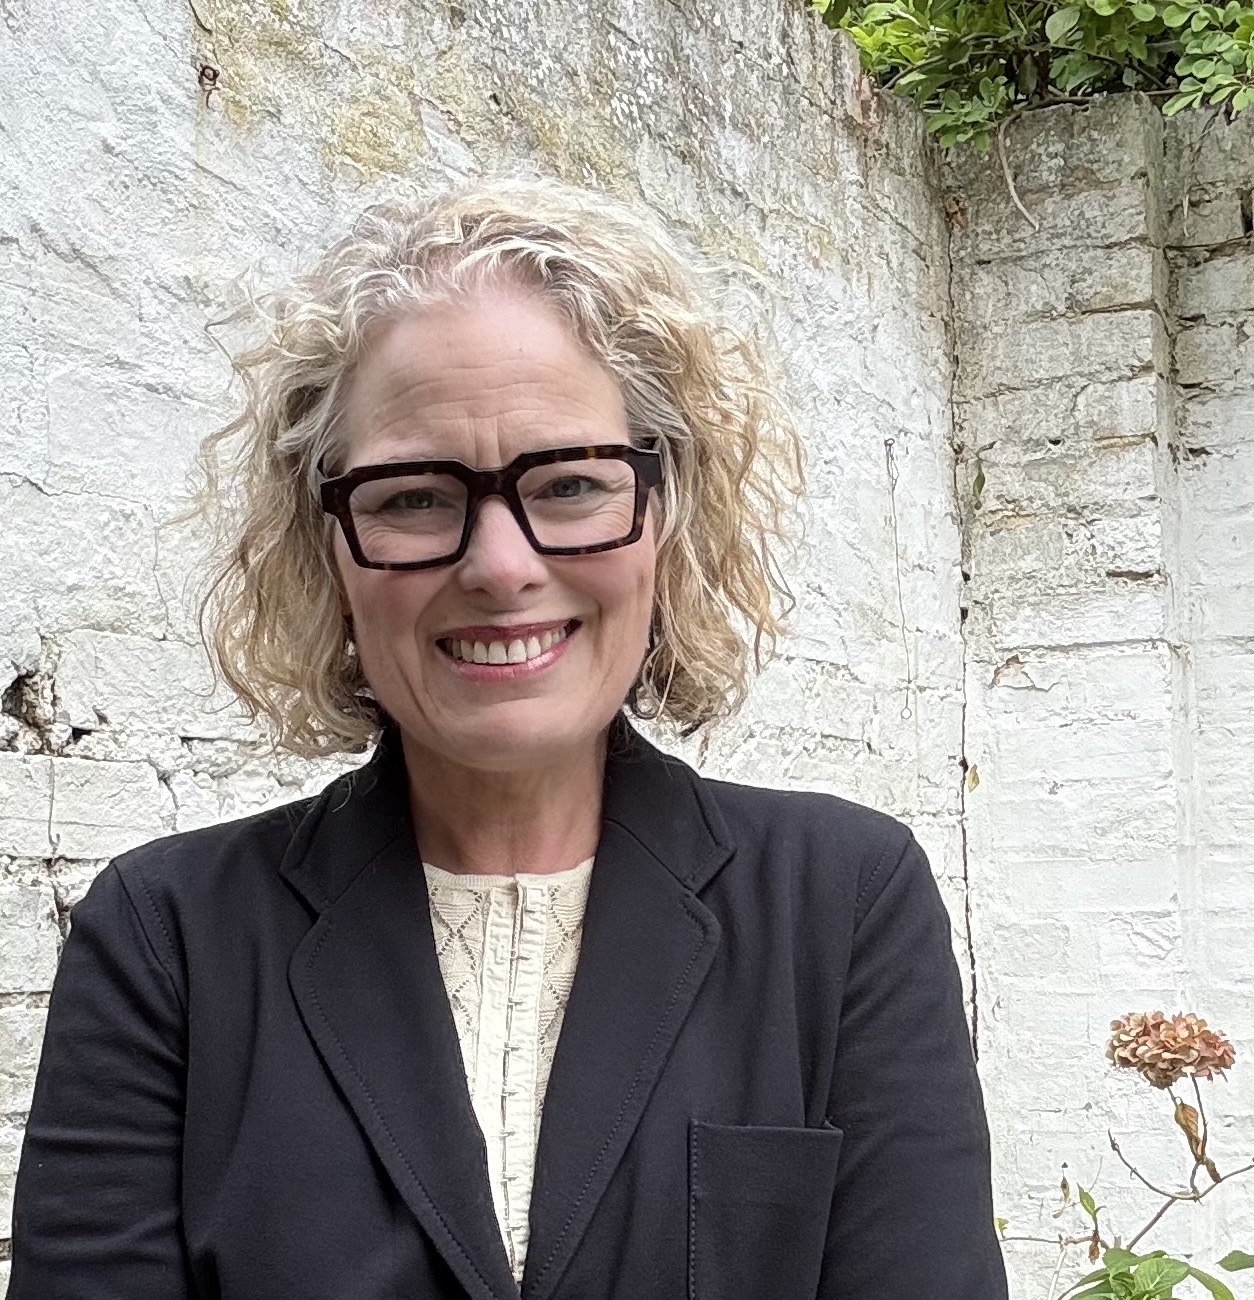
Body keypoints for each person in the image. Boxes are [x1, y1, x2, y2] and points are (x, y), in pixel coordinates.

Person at [10, 177, 1009, 1300]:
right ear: (327, 545)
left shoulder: (843, 905)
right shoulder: (168, 942)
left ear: (664, 517)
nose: (499, 565)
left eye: (572, 482)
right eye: (415, 497)